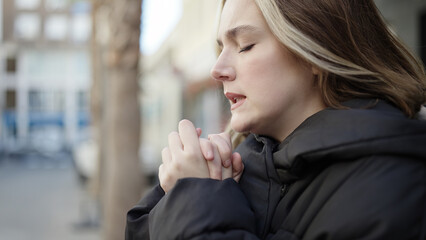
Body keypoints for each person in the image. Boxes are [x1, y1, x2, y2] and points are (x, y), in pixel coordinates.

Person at [126, 0, 426, 239]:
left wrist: (193, 196)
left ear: (314, 50)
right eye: (220, 48)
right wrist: (176, 190)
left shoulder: (387, 189)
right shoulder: (242, 163)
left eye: (244, 45)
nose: (217, 70)